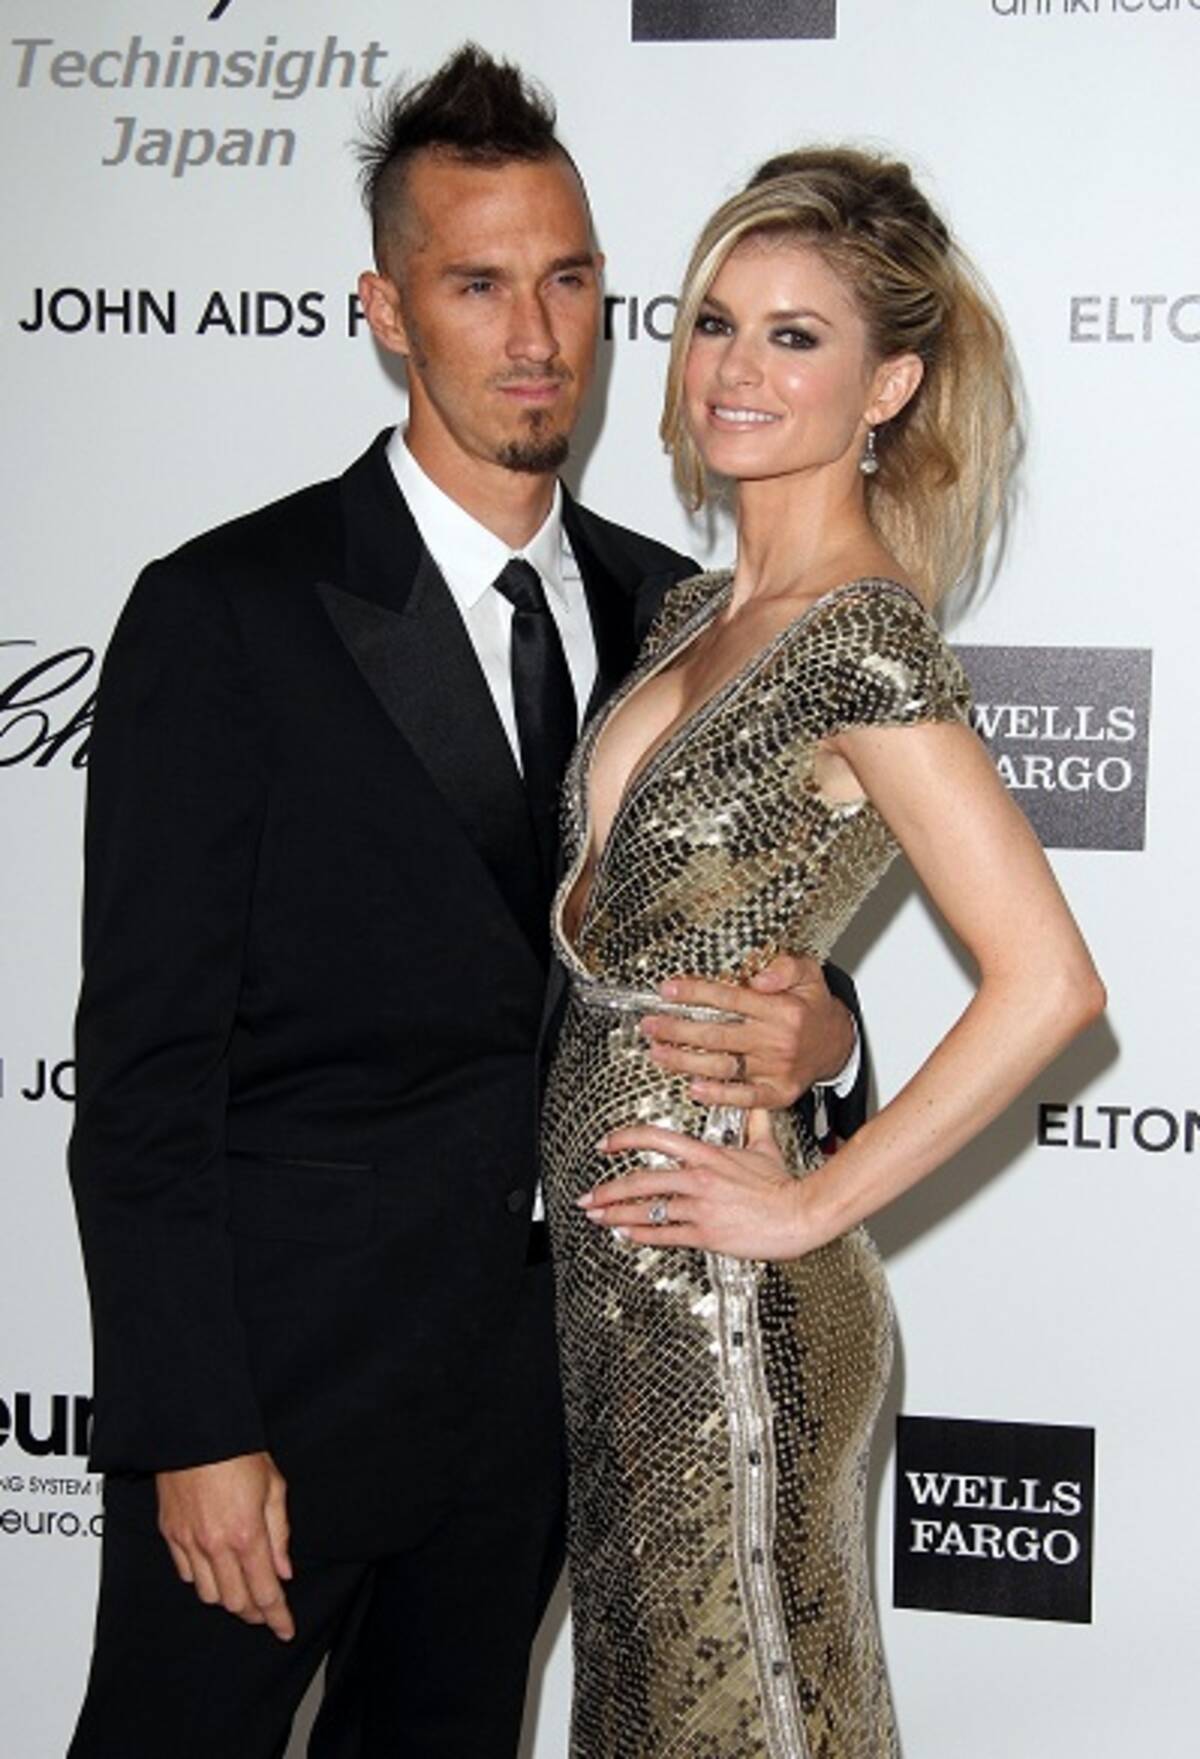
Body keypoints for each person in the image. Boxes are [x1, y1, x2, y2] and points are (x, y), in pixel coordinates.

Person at [65, 51, 868, 1759]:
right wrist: (190, 1425)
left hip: (543, 1400)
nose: (535, 335)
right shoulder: (232, 610)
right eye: (477, 284)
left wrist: (829, 1039)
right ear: (386, 309)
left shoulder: (679, 614)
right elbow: (141, 1076)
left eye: (567, 280)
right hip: (277, 1407)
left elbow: (726, 957)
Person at [541, 147, 1105, 1757]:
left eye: (797, 336)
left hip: (727, 1299)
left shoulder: (863, 641)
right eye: (719, 322)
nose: (735, 368)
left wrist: (808, 1204)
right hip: (622, 1283)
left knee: (751, 1718)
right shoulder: (690, 617)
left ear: (889, 386)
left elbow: (1051, 983)